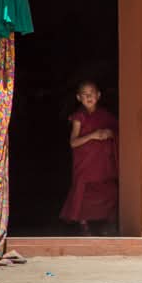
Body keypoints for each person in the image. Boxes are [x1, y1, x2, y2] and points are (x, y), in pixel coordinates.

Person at [60, 80, 118, 236]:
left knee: (108, 190)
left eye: (92, 93)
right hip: (85, 163)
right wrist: (93, 135)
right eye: (85, 94)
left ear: (98, 95)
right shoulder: (78, 117)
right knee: (83, 192)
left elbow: (117, 133)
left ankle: (109, 222)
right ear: (79, 98)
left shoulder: (106, 116)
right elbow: (73, 142)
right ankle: (83, 224)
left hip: (102, 162)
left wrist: (108, 133)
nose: (89, 96)